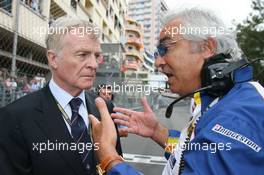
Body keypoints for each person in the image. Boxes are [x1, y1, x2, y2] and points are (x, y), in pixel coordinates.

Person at [88, 8, 264, 175]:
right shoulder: (222, 99)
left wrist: (109, 158)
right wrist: (158, 132)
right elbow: (194, 152)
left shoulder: (235, 120)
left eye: (166, 48)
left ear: (207, 47)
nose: (158, 62)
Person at [0, 16, 122, 175]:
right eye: (82, 54)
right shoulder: (15, 117)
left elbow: (117, 165)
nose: (93, 64)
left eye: (96, 55)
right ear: (53, 59)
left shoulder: (106, 108)